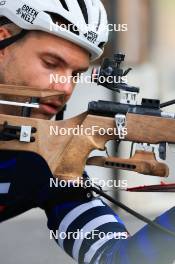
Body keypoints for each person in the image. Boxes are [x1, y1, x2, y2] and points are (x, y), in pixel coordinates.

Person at [0, 1, 175, 264]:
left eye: (75, 74)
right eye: (50, 63)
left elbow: (115, 260)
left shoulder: (48, 163)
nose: (66, 88)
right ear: (3, 41)